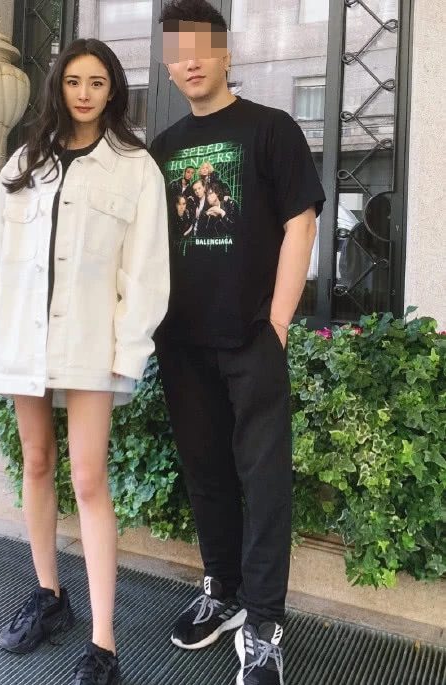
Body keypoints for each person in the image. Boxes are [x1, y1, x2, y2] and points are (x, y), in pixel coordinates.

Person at [0, 37, 169, 685]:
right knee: (35, 461)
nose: (84, 93)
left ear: (113, 92)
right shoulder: (24, 161)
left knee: (88, 479)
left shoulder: (134, 167)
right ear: (58, 85)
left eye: (97, 82)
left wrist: (128, 350)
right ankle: (49, 594)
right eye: (74, 81)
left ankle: (103, 641)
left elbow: (145, 274)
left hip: (91, 345)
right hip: (20, 339)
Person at [150, 1, 326, 684]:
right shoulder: (161, 149)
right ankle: (221, 591)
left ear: (226, 52)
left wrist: (277, 322)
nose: (190, 59)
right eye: (177, 50)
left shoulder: (270, 128)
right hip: (181, 341)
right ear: (168, 64)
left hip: (251, 337)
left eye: (201, 45)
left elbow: (300, 222)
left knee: (263, 479)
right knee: (206, 473)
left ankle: (263, 621)